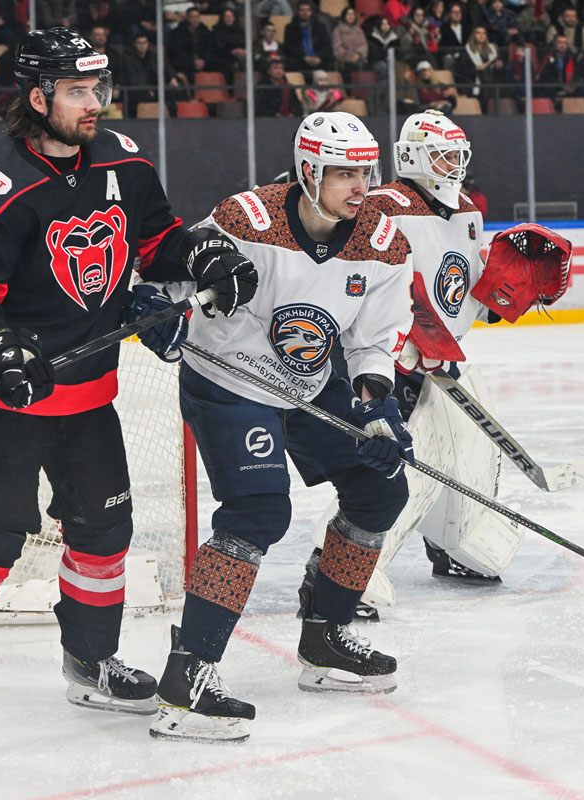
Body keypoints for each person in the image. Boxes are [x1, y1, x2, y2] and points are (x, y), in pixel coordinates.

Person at [0, 27, 256, 772]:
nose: (94, 102)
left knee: (103, 539)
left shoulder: (123, 161)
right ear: (38, 99)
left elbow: (157, 241)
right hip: (2, 406)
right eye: (77, 91)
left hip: (88, 399)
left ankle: (90, 662)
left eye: (98, 88)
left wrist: (203, 253)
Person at [148, 111, 413, 744]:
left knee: (381, 490)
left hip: (311, 382)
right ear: (309, 171)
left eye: (366, 172)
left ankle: (325, 637)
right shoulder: (245, 219)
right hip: (230, 381)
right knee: (258, 512)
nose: (360, 187)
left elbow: (373, 339)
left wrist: (376, 403)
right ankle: (189, 675)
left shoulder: (382, 241)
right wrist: (162, 308)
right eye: (343, 173)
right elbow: (175, 272)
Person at [295, 110, 546, 620]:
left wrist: (495, 300)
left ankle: (454, 543)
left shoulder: (468, 213)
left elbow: (456, 292)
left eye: (457, 155)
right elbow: (350, 273)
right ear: (412, 156)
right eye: (442, 155)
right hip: (384, 359)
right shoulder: (382, 205)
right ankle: (331, 571)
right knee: (385, 460)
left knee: (459, 448)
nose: (453, 164)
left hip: (436, 359)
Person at [283, 0, 334, 72]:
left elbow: (326, 45)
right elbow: (290, 47)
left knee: (330, 63)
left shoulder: (320, 26)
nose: (305, 13)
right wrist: (304, 57)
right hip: (300, 59)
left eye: (307, 10)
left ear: (311, 12)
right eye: (302, 10)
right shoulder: (290, 27)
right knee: (292, 63)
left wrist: (319, 57)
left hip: (318, 59)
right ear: (297, 12)